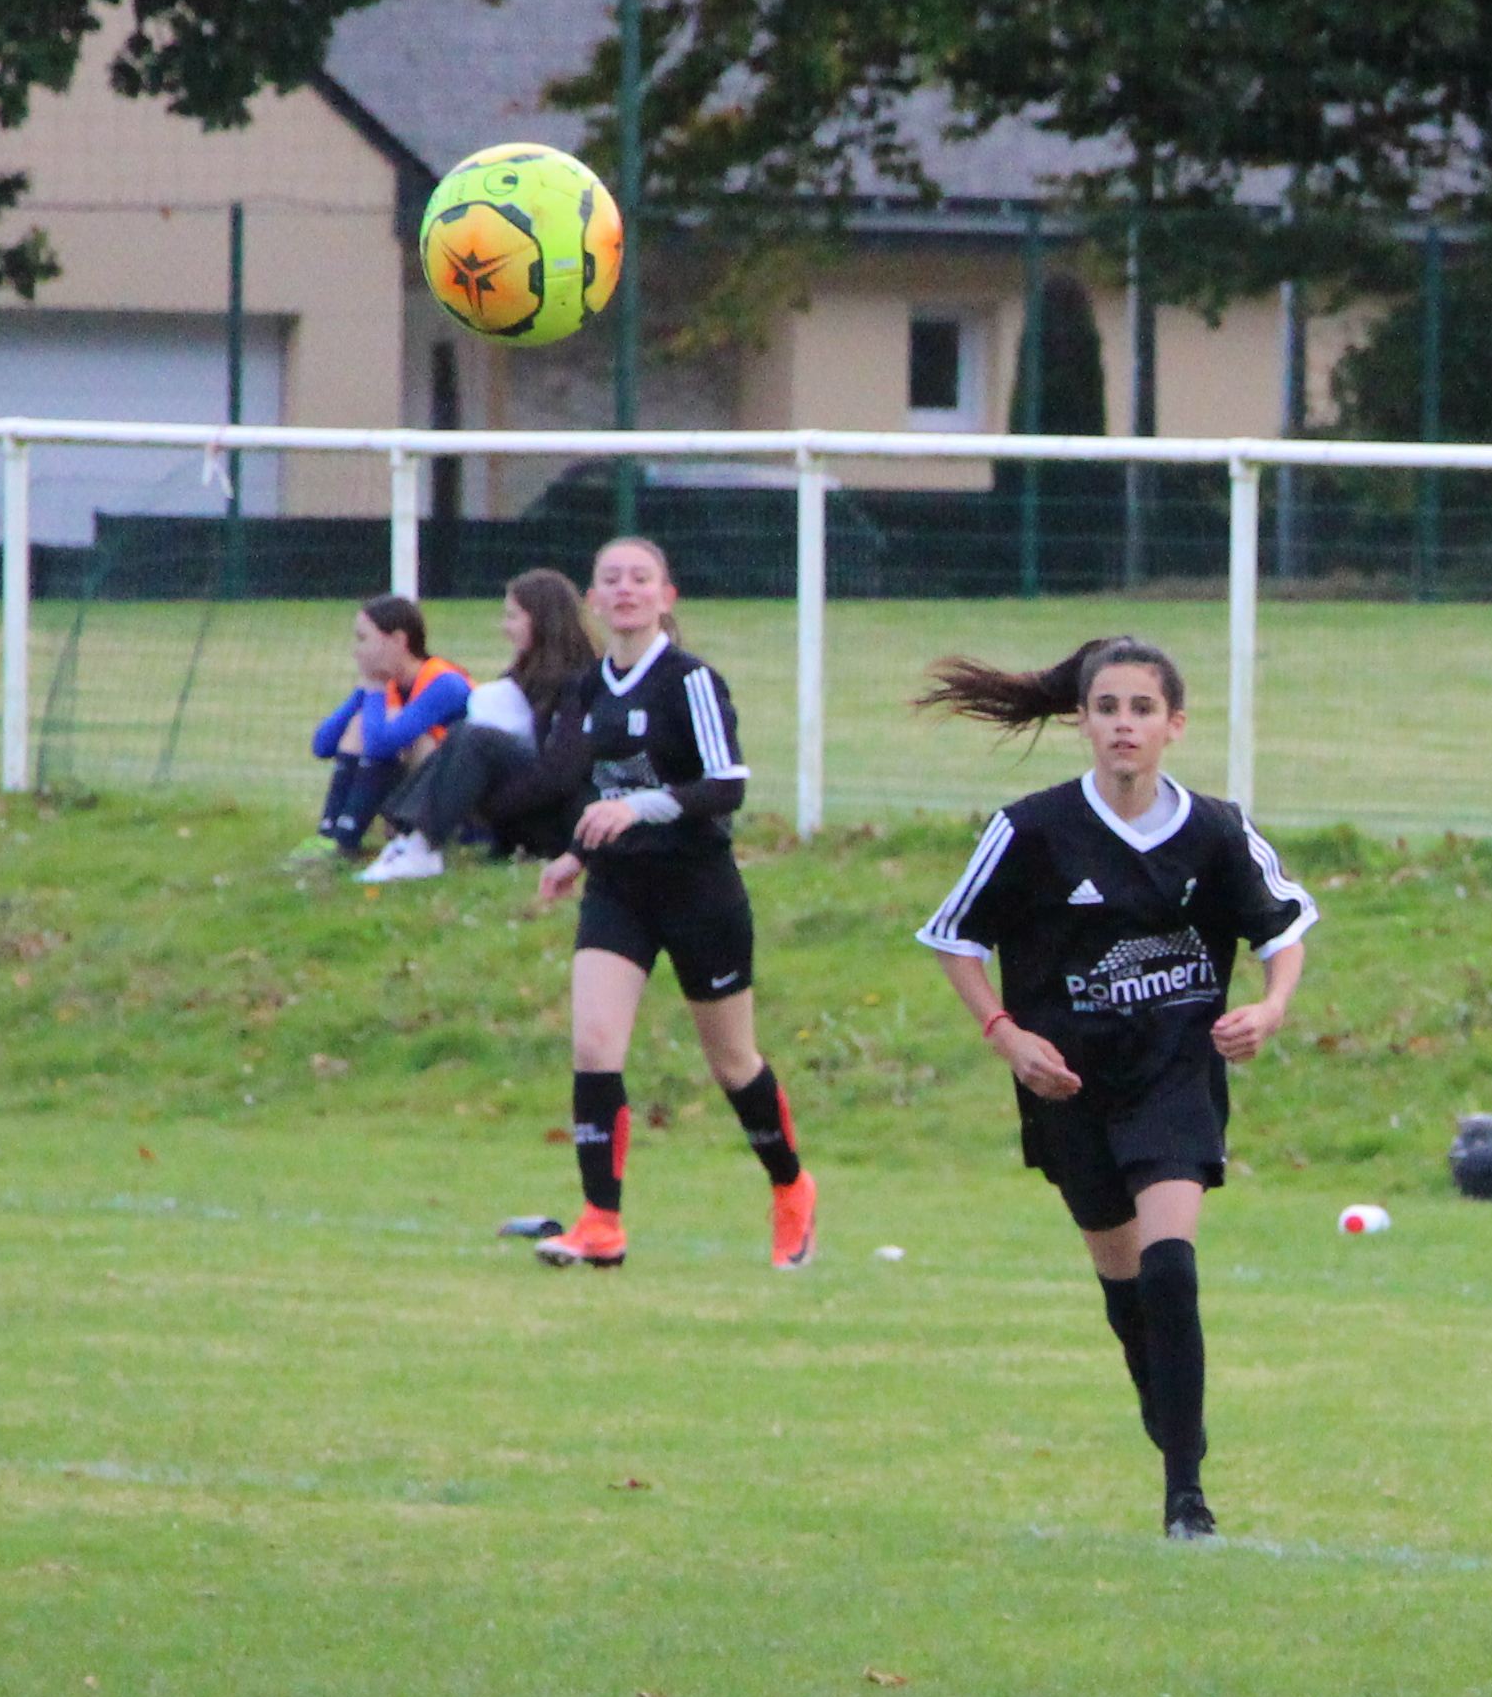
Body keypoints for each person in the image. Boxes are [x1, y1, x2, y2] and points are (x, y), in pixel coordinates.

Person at [914, 634, 1320, 1542]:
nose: (1123, 726)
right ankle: (1166, 1408)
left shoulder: (1216, 829)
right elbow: (953, 937)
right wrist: (1006, 1034)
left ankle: (1187, 1491)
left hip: (1175, 1075)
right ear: (1084, 722)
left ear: (1175, 725)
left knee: (1171, 1269)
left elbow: (1283, 930)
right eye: (1107, 709)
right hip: (1069, 1090)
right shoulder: (1031, 829)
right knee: (1127, 1287)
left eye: (1142, 709)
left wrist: (1273, 1007)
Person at [522, 536, 818, 1274]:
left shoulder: (690, 682)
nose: (625, 590)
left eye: (640, 578)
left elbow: (728, 786)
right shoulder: (586, 690)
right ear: (592, 598)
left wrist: (644, 808)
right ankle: (601, 1223)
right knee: (594, 1044)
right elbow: (596, 794)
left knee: (733, 1063)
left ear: (666, 596)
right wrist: (574, 854)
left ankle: (791, 1187)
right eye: (611, 578)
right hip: (619, 892)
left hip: (699, 893)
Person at [366, 570, 595, 882]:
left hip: (560, 823)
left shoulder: (581, 683)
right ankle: (411, 838)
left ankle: (421, 844)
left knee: (475, 738)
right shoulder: (524, 677)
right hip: (524, 818)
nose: (505, 627)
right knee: (464, 734)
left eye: (513, 617)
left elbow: (562, 774)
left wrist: (487, 806)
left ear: (542, 620)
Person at [307, 596, 468, 860]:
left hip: (461, 801)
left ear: (397, 641)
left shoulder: (444, 683)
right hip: (422, 787)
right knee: (361, 725)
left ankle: (355, 839)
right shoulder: (388, 683)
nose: (355, 650)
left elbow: (384, 744)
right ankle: (333, 836)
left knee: (415, 740)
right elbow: (322, 745)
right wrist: (365, 690)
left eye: (363, 639)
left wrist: (374, 689)